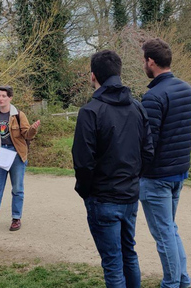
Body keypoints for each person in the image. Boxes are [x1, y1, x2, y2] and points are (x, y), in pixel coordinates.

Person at [72, 50, 153, 288]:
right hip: (128, 195)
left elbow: (83, 163)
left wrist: (87, 192)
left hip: (104, 198)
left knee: (113, 263)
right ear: (118, 73)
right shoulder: (137, 108)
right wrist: (133, 179)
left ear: (93, 76)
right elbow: (147, 152)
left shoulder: (90, 112)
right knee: (129, 254)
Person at [139, 39, 191, 288]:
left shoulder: (153, 96)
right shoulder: (186, 89)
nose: (143, 64)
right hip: (178, 172)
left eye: (144, 60)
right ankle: (182, 280)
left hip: (157, 178)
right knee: (170, 230)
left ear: (151, 62)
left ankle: (171, 283)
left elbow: (147, 144)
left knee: (163, 234)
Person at [0, 85, 40, 236]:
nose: (0, 98)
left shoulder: (18, 115)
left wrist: (33, 128)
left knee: (17, 189)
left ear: (10, 98)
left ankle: (16, 218)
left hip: (17, 154)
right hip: (1, 154)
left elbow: (27, 134)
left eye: (4, 96)